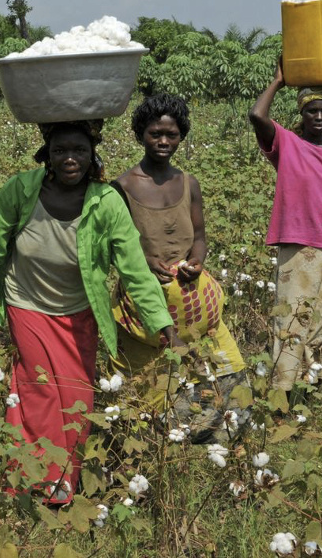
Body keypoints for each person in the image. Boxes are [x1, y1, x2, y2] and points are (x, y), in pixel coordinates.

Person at [0, 120, 178, 505]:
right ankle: (31, 486)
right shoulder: (21, 190)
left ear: (92, 153)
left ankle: (62, 483)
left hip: (79, 311)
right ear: (47, 154)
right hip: (26, 305)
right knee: (38, 391)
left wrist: (161, 322)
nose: (70, 159)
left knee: (78, 403)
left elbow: (133, 267)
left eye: (78, 150)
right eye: (60, 151)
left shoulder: (105, 201)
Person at [110, 94, 246, 442]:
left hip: (193, 300)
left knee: (225, 374)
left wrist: (197, 260)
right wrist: (142, 261)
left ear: (181, 136)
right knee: (146, 389)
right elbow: (112, 245)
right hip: (144, 303)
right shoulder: (121, 188)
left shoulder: (189, 183)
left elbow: (199, 237)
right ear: (141, 133)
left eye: (171, 135)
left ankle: (204, 443)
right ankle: (149, 450)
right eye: (156, 133)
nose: (164, 142)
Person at [248, 61, 322, 397]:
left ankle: (316, 392)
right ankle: (282, 393)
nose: (318, 117)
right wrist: (277, 82)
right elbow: (257, 117)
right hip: (299, 243)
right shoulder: (287, 144)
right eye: (312, 110)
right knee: (292, 318)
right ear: (302, 112)